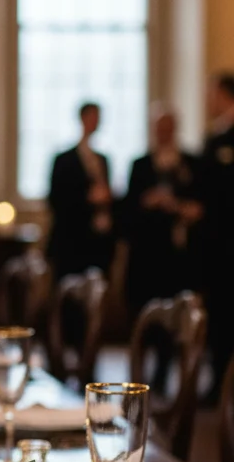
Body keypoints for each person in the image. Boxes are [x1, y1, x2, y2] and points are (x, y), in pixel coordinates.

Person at [124, 105, 203, 317]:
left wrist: (178, 206)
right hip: (148, 254)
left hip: (181, 254)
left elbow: (201, 205)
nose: (163, 133)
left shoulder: (192, 164)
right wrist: (147, 201)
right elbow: (128, 211)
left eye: (168, 127)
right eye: (159, 128)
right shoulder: (140, 165)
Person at [46, 102, 116, 280]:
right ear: (83, 119)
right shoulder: (64, 160)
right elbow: (55, 199)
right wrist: (88, 198)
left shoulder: (103, 160)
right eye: (92, 117)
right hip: (71, 240)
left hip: (98, 240)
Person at [201, 73, 234, 401]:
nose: (207, 100)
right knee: (220, 318)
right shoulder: (214, 137)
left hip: (226, 245)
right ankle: (219, 384)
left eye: (211, 94)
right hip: (216, 249)